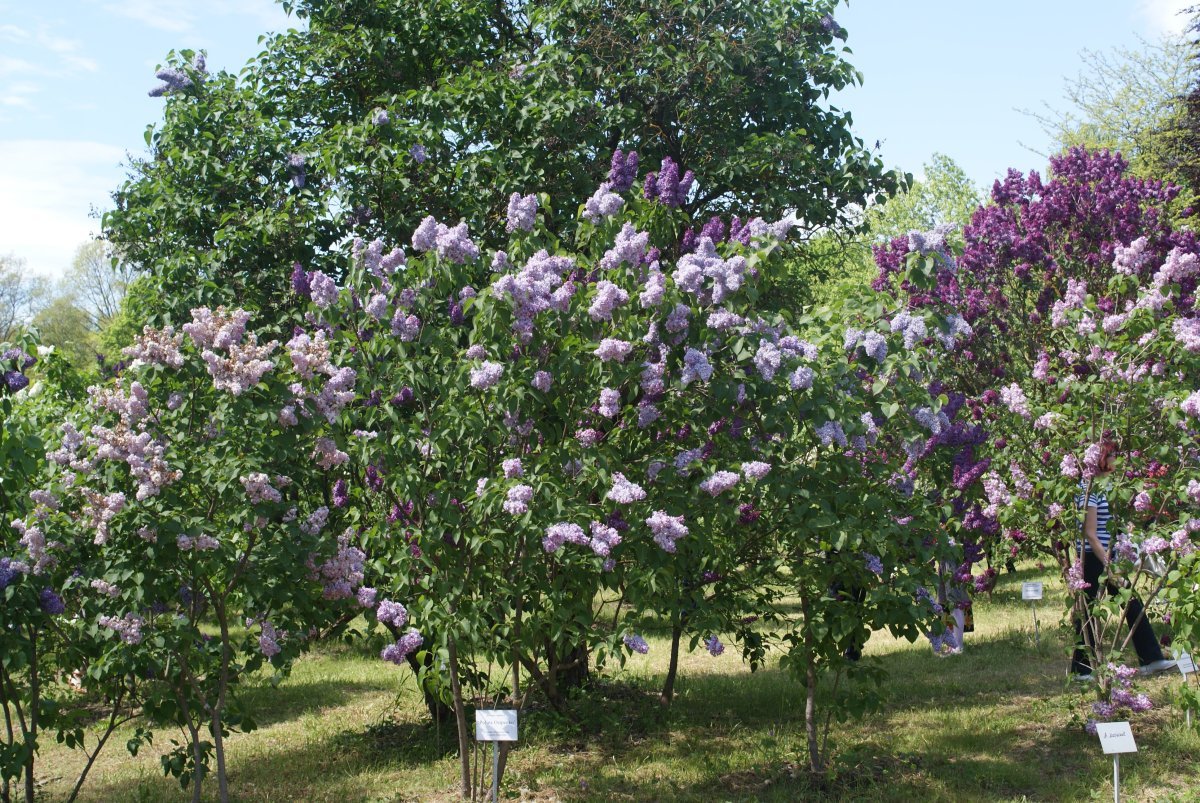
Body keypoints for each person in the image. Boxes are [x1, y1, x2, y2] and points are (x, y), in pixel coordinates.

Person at [1069, 436, 1175, 680]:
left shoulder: (1106, 488)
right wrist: (1110, 565)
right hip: (1093, 557)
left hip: (1109, 556)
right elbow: (1090, 534)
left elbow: (1112, 525)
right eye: (1113, 456)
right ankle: (1081, 669)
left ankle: (1151, 658)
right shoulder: (1087, 489)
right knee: (1090, 611)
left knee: (1130, 602)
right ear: (1102, 460)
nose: (1117, 460)